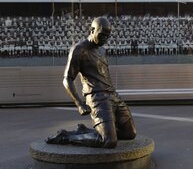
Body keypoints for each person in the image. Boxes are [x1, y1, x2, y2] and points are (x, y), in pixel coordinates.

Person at [46, 17, 137, 148]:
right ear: (92, 30)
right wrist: (79, 103)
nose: (105, 39)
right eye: (102, 35)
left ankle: (87, 131)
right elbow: (67, 79)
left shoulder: (102, 50)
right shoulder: (78, 50)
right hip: (97, 98)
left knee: (129, 133)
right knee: (108, 141)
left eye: (107, 36)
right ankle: (67, 136)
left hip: (113, 95)